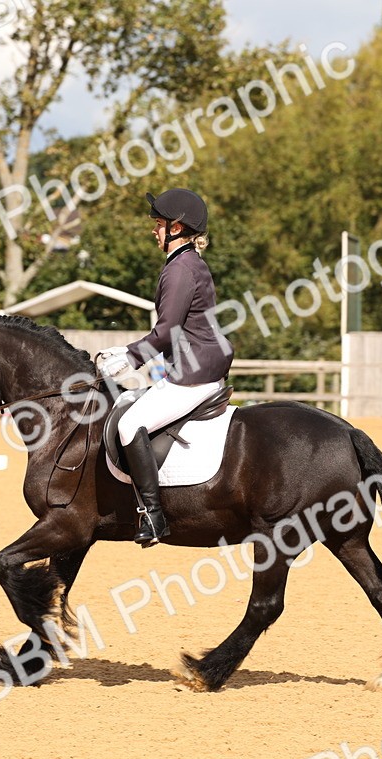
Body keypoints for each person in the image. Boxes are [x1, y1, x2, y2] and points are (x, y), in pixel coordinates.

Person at [98, 189, 234, 547]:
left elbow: (168, 330)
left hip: (194, 373)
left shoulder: (181, 269)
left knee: (129, 424)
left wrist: (130, 356)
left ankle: (154, 517)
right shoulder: (188, 264)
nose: (154, 231)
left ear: (177, 228)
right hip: (197, 364)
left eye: (159, 225)